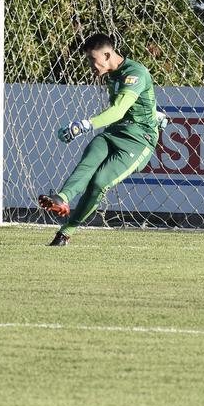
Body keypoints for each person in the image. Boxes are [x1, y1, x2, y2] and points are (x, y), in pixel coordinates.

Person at [37, 32, 160, 246]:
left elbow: (119, 110)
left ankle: (66, 232)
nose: (90, 66)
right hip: (113, 133)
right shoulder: (112, 75)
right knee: (88, 161)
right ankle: (61, 199)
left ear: (107, 55)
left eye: (92, 60)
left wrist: (85, 124)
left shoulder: (135, 73)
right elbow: (137, 104)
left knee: (99, 183)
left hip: (139, 140)